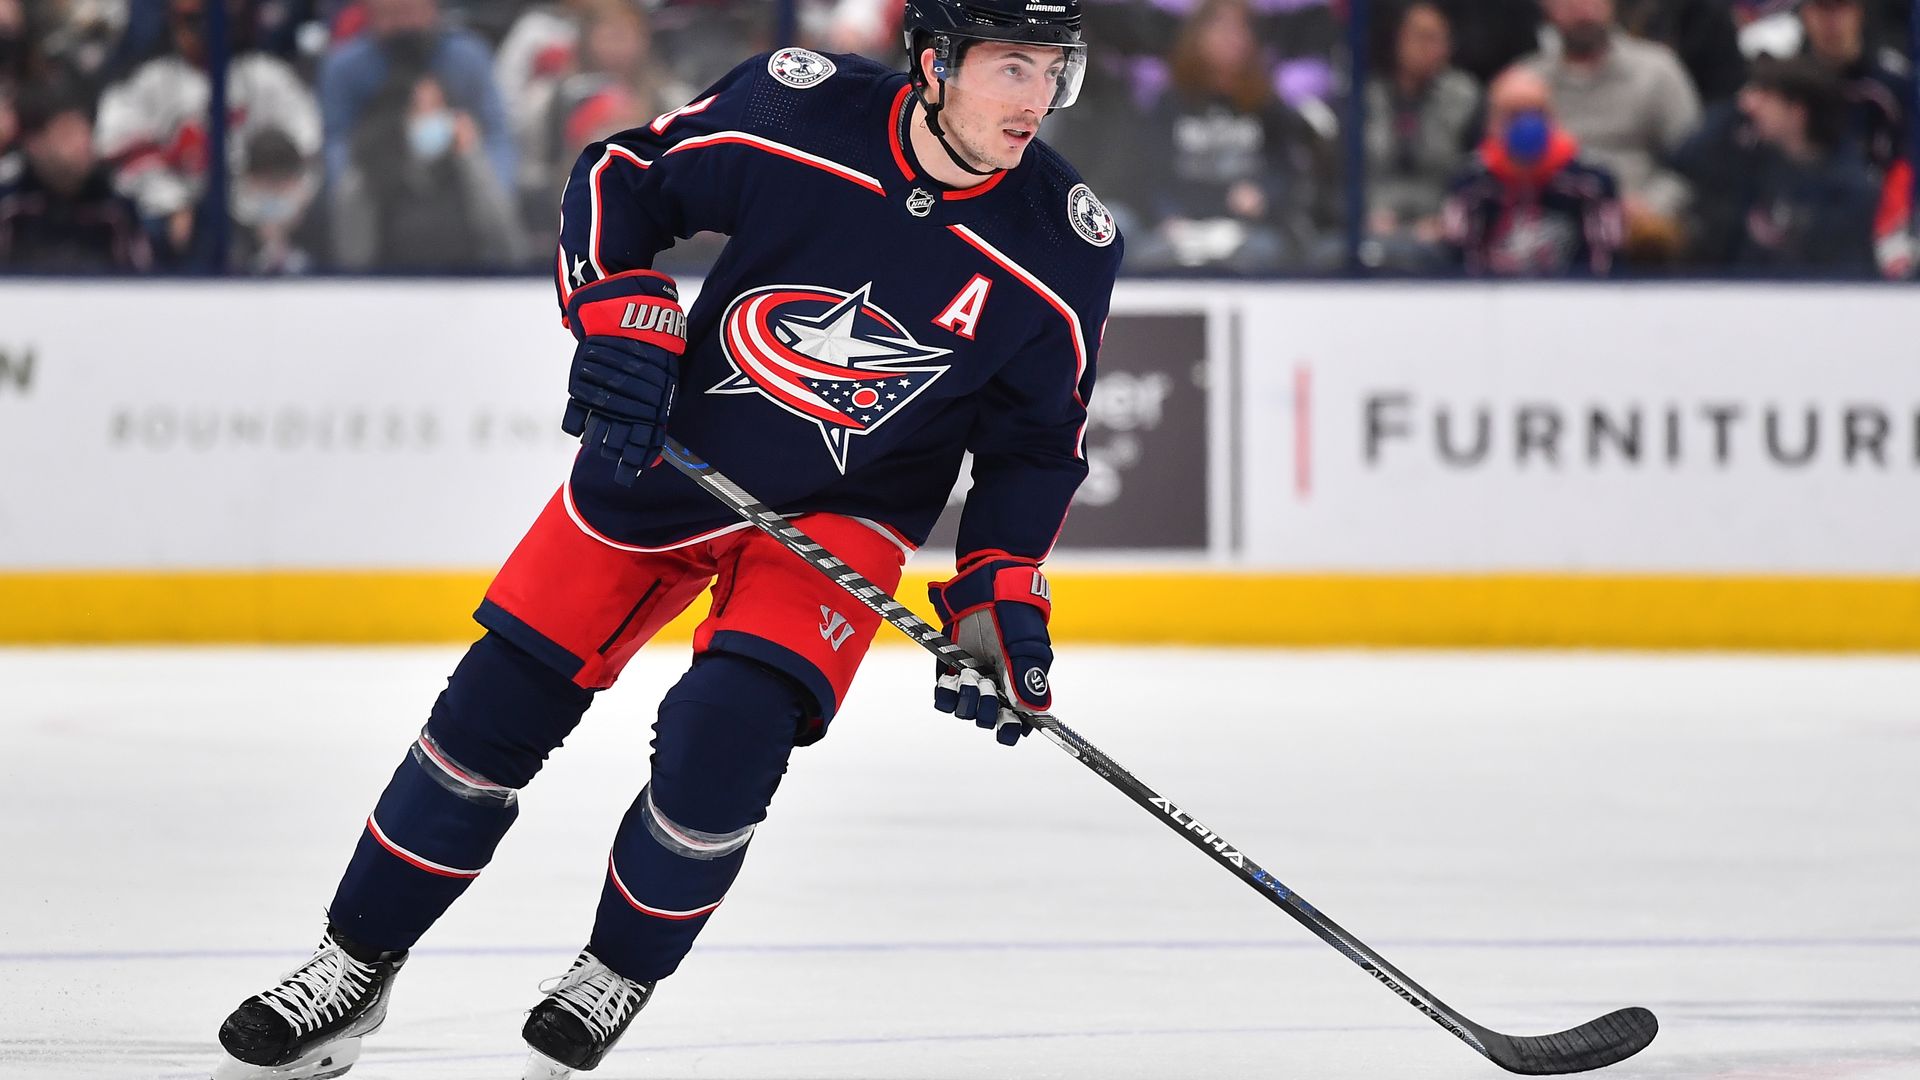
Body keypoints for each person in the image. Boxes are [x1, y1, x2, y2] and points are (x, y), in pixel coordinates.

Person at [209, 0, 1122, 1076]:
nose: (1037, 100)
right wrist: (621, 311)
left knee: (723, 737)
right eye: (1012, 68)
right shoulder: (798, 109)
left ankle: (618, 970)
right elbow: (617, 181)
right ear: (932, 62)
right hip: (668, 458)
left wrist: (998, 597)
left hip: (836, 516)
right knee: (487, 719)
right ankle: (353, 965)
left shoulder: (1062, 243)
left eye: (1053, 71)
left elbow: (1034, 449)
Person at [93, 0, 321, 265]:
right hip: (174, 219)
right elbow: (118, 152)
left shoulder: (267, 77)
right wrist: (173, 204)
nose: (200, 31)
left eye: (207, 21)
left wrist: (269, 205)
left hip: (260, 218)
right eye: (190, 22)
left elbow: (305, 149)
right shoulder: (147, 82)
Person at [1130, 0, 1341, 271]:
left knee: (1267, 252)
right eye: (1222, 30)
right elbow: (1152, 173)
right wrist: (1170, 214)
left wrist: (1264, 193)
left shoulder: (1266, 103)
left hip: (1248, 229)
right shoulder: (1170, 102)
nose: (1233, 40)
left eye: (1241, 31)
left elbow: (1285, 170)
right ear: (1198, 36)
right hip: (1182, 223)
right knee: (1150, 254)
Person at [1523, 0, 1703, 262]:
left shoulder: (1657, 71)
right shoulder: (1528, 80)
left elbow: (1695, 163)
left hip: (1639, 224)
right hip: (1550, 220)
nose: (1582, 10)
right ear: (1546, 8)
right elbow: (1500, 156)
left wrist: (1652, 205)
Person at [330, 68, 525, 269]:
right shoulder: (370, 177)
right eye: (418, 108)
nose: (429, 117)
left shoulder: (465, 174)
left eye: (437, 106)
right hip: (390, 291)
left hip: (462, 290)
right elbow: (353, 261)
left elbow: (508, 247)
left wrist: (471, 157)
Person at [1442, 66, 1625, 276]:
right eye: (1514, 115)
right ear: (1492, 123)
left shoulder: (1591, 181)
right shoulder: (1470, 183)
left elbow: (1605, 266)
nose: (1527, 124)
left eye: (1537, 113)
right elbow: (1459, 267)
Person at [1365, 0, 1480, 271]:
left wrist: (1448, 220)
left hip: (1438, 226)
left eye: (1441, 39)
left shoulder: (1466, 98)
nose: (1433, 48)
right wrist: (1362, 217)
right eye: (1422, 37)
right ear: (1397, 39)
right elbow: (1338, 176)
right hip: (1373, 222)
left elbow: (1476, 171)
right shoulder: (1365, 97)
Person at [0, 82, 153, 271]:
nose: (83, 144)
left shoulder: (116, 211)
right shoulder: (9, 207)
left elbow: (144, 288)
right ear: (35, 143)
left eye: (87, 132)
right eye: (68, 134)